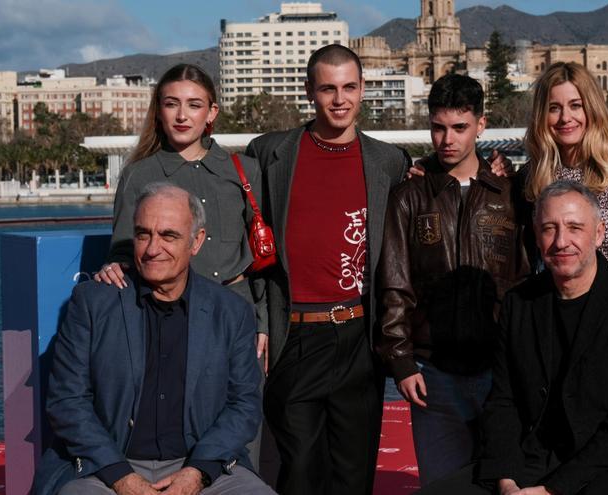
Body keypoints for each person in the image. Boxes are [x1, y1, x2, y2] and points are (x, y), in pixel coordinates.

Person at [420, 181, 608, 495]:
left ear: (599, 234)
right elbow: (503, 401)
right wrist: (506, 480)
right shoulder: (519, 303)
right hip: (531, 460)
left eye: (575, 228)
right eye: (549, 229)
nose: (561, 241)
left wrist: (552, 491)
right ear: (537, 238)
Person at [34, 184, 275, 495]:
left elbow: (244, 405)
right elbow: (67, 401)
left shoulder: (230, 312)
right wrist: (122, 477)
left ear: (196, 241)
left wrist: (197, 473)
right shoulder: (93, 303)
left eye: (168, 236)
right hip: (105, 468)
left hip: (203, 467)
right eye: (143, 234)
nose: (152, 248)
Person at [245, 44, 411, 495]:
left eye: (349, 88)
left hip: (360, 336)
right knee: (299, 471)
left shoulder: (389, 162)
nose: (340, 99)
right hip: (294, 336)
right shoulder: (268, 153)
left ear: (362, 90)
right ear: (309, 92)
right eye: (328, 89)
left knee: (354, 476)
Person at [377, 73, 530, 486]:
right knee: (443, 487)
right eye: (439, 127)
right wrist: (402, 361)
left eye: (460, 128)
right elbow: (396, 282)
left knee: (506, 482)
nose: (448, 139)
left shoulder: (512, 193)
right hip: (433, 374)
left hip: (500, 371)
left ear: (481, 125)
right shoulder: (409, 195)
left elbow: (525, 281)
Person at [95, 63, 268, 371]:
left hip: (239, 313)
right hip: (169, 315)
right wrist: (113, 265)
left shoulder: (244, 169)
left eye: (194, 105)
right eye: (171, 104)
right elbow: (123, 249)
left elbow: (262, 259)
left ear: (211, 112)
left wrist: (264, 321)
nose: (182, 115)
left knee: (244, 412)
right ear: (159, 111)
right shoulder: (138, 174)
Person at [523, 62, 608, 286]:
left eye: (575, 105)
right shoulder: (530, 176)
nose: (565, 117)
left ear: (591, 109)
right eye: (554, 108)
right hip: (551, 306)